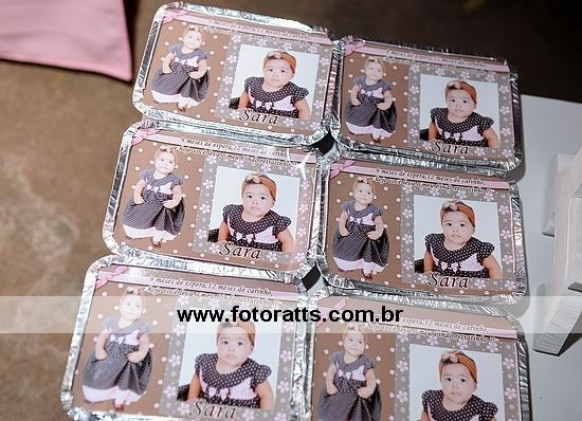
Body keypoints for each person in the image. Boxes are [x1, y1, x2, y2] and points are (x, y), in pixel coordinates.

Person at [82, 289, 152, 411]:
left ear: (142, 310)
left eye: (137, 306)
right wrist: (99, 349)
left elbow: (145, 343)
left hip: (127, 362)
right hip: (108, 358)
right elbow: (102, 337)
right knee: (98, 376)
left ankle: (119, 401)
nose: (132, 308)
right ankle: (94, 395)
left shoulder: (140, 327)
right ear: (120, 305)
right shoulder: (111, 321)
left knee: (124, 381)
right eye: (128, 304)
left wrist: (141, 353)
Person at [183, 321, 274, 409]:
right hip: (206, 410)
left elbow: (266, 396)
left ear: (250, 349)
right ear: (217, 344)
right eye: (225, 342)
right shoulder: (206, 362)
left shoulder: (253, 371)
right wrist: (192, 398)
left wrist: (264, 415)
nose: (231, 348)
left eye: (239, 343)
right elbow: (197, 378)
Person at [211, 172, 294, 252]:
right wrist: (222, 239)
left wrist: (285, 258)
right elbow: (225, 223)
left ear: (272, 203)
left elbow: (288, 241)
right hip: (234, 251)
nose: (255, 201)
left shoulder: (275, 222)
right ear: (242, 197)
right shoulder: (233, 212)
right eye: (250, 196)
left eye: (262, 198)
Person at [122, 145, 185, 248]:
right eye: (162, 160)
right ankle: (134, 233)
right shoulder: (148, 174)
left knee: (160, 225)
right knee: (133, 219)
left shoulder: (173, 179)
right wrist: (137, 196)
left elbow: (177, 193)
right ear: (155, 161)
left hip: (161, 208)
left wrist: (174, 201)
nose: (165, 163)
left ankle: (156, 239)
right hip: (144, 204)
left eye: (170, 162)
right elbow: (140, 186)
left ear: (175, 165)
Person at [422, 200, 502, 279]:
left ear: (473, 229)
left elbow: (494, 267)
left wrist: (495, 284)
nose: (455, 229)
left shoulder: (478, 248)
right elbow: (429, 253)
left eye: (462, 225)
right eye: (449, 224)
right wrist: (428, 270)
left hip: (471, 285)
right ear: (442, 225)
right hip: (441, 282)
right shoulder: (435, 241)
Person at [317, 323, 381, 421]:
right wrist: (329, 384)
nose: (354, 344)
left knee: (357, 414)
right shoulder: (338, 358)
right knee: (332, 413)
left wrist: (369, 389)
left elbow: (371, 379)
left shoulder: (365, 362)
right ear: (344, 341)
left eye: (360, 342)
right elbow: (331, 372)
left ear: (365, 345)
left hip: (355, 398)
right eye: (351, 340)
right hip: (337, 394)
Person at [331, 177, 389, 280]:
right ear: (354, 192)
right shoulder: (349, 205)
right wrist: (342, 228)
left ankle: (366, 270)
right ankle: (346, 266)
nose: (364, 195)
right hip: (350, 234)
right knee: (345, 250)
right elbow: (343, 217)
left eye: (368, 193)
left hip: (367, 237)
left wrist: (378, 232)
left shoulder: (374, 210)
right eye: (360, 191)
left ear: (373, 196)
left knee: (368, 252)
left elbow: (379, 224)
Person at [420, 350, 498, 421]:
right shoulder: (433, 399)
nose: (455, 385)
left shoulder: (480, 409)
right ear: (441, 381)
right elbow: (425, 415)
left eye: (462, 380)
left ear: (474, 386)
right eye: (449, 379)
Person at [232, 50, 311, 119]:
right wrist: (242, 107)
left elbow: (304, 110)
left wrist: (301, 126)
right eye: (270, 70)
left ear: (292, 75)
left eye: (282, 71)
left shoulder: (293, 92)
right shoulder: (254, 83)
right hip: (253, 118)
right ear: (264, 70)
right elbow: (246, 94)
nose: (275, 74)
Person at [150, 24, 209, 111]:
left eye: (197, 39)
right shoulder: (177, 48)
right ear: (183, 38)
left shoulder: (200, 55)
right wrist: (165, 66)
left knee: (186, 90)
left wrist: (200, 73)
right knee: (162, 86)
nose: (193, 40)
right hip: (171, 74)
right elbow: (168, 58)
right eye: (190, 37)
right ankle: (161, 98)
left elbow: (203, 66)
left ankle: (181, 103)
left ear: (201, 42)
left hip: (186, 79)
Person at [425, 79, 500, 148]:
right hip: (445, 150)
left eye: (464, 101)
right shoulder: (440, 115)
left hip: (472, 154)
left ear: (474, 105)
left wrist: (493, 154)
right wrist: (432, 139)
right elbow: (433, 125)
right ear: (446, 101)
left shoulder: (479, 122)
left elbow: (492, 138)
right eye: (453, 100)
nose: (458, 105)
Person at [345, 56, 397, 141]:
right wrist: (354, 98)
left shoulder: (383, 85)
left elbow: (388, 96)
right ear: (365, 69)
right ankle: (355, 130)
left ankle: (375, 134)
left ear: (383, 73)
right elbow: (354, 90)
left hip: (375, 110)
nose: (374, 72)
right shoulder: (361, 80)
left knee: (378, 118)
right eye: (371, 69)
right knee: (354, 117)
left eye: (379, 70)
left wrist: (387, 103)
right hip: (360, 106)